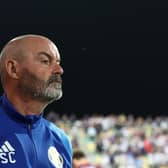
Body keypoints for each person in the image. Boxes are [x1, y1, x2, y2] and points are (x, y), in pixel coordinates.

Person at [0, 34, 72, 167]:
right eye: (45, 61)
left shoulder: (61, 140)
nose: (59, 70)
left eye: (58, 63)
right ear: (13, 69)